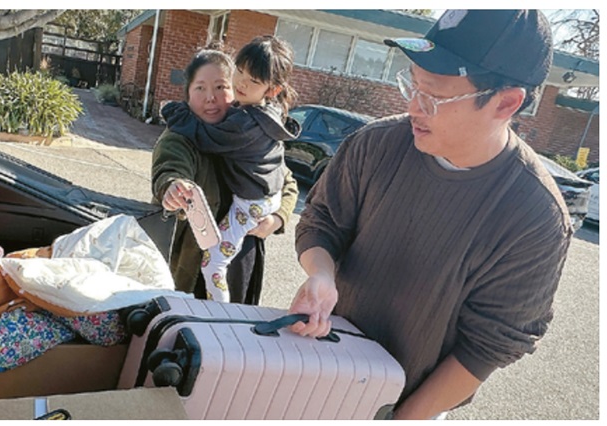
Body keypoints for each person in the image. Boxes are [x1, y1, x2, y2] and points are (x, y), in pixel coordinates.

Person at [287, 10, 571, 420]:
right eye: (412, 85)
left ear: (506, 102)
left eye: (434, 95)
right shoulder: (375, 144)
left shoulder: (535, 217)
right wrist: (321, 274)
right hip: (309, 360)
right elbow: (322, 222)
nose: (413, 106)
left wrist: (401, 417)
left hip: (407, 399)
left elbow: (488, 346)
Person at [151, 47, 299, 304]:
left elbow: (286, 180)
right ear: (187, 93)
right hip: (195, 265)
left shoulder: (250, 129)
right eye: (200, 88)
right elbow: (170, 168)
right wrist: (173, 186)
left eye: (220, 87)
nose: (211, 97)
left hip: (242, 262)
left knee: (232, 334)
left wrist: (277, 218)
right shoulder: (181, 136)